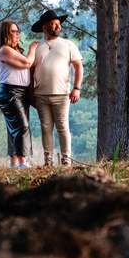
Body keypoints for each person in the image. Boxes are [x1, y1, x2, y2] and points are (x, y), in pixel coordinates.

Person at [30, 9, 83, 166]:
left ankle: (66, 160)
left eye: (59, 24)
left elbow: (78, 66)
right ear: (44, 28)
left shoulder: (68, 44)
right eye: (54, 24)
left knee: (63, 127)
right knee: (46, 128)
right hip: (40, 94)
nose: (58, 27)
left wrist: (76, 88)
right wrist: (30, 93)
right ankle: (48, 161)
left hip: (62, 95)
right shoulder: (36, 46)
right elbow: (30, 70)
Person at [0, 20, 37, 169]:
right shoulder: (5, 49)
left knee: (15, 127)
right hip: (10, 92)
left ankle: (14, 163)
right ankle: (22, 163)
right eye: (14, 31)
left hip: (21, 93)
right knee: (22, 126)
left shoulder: (15, 51)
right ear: (6, 33)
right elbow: (27, 63)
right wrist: (32, 49)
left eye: (18, 30)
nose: (17, 33)